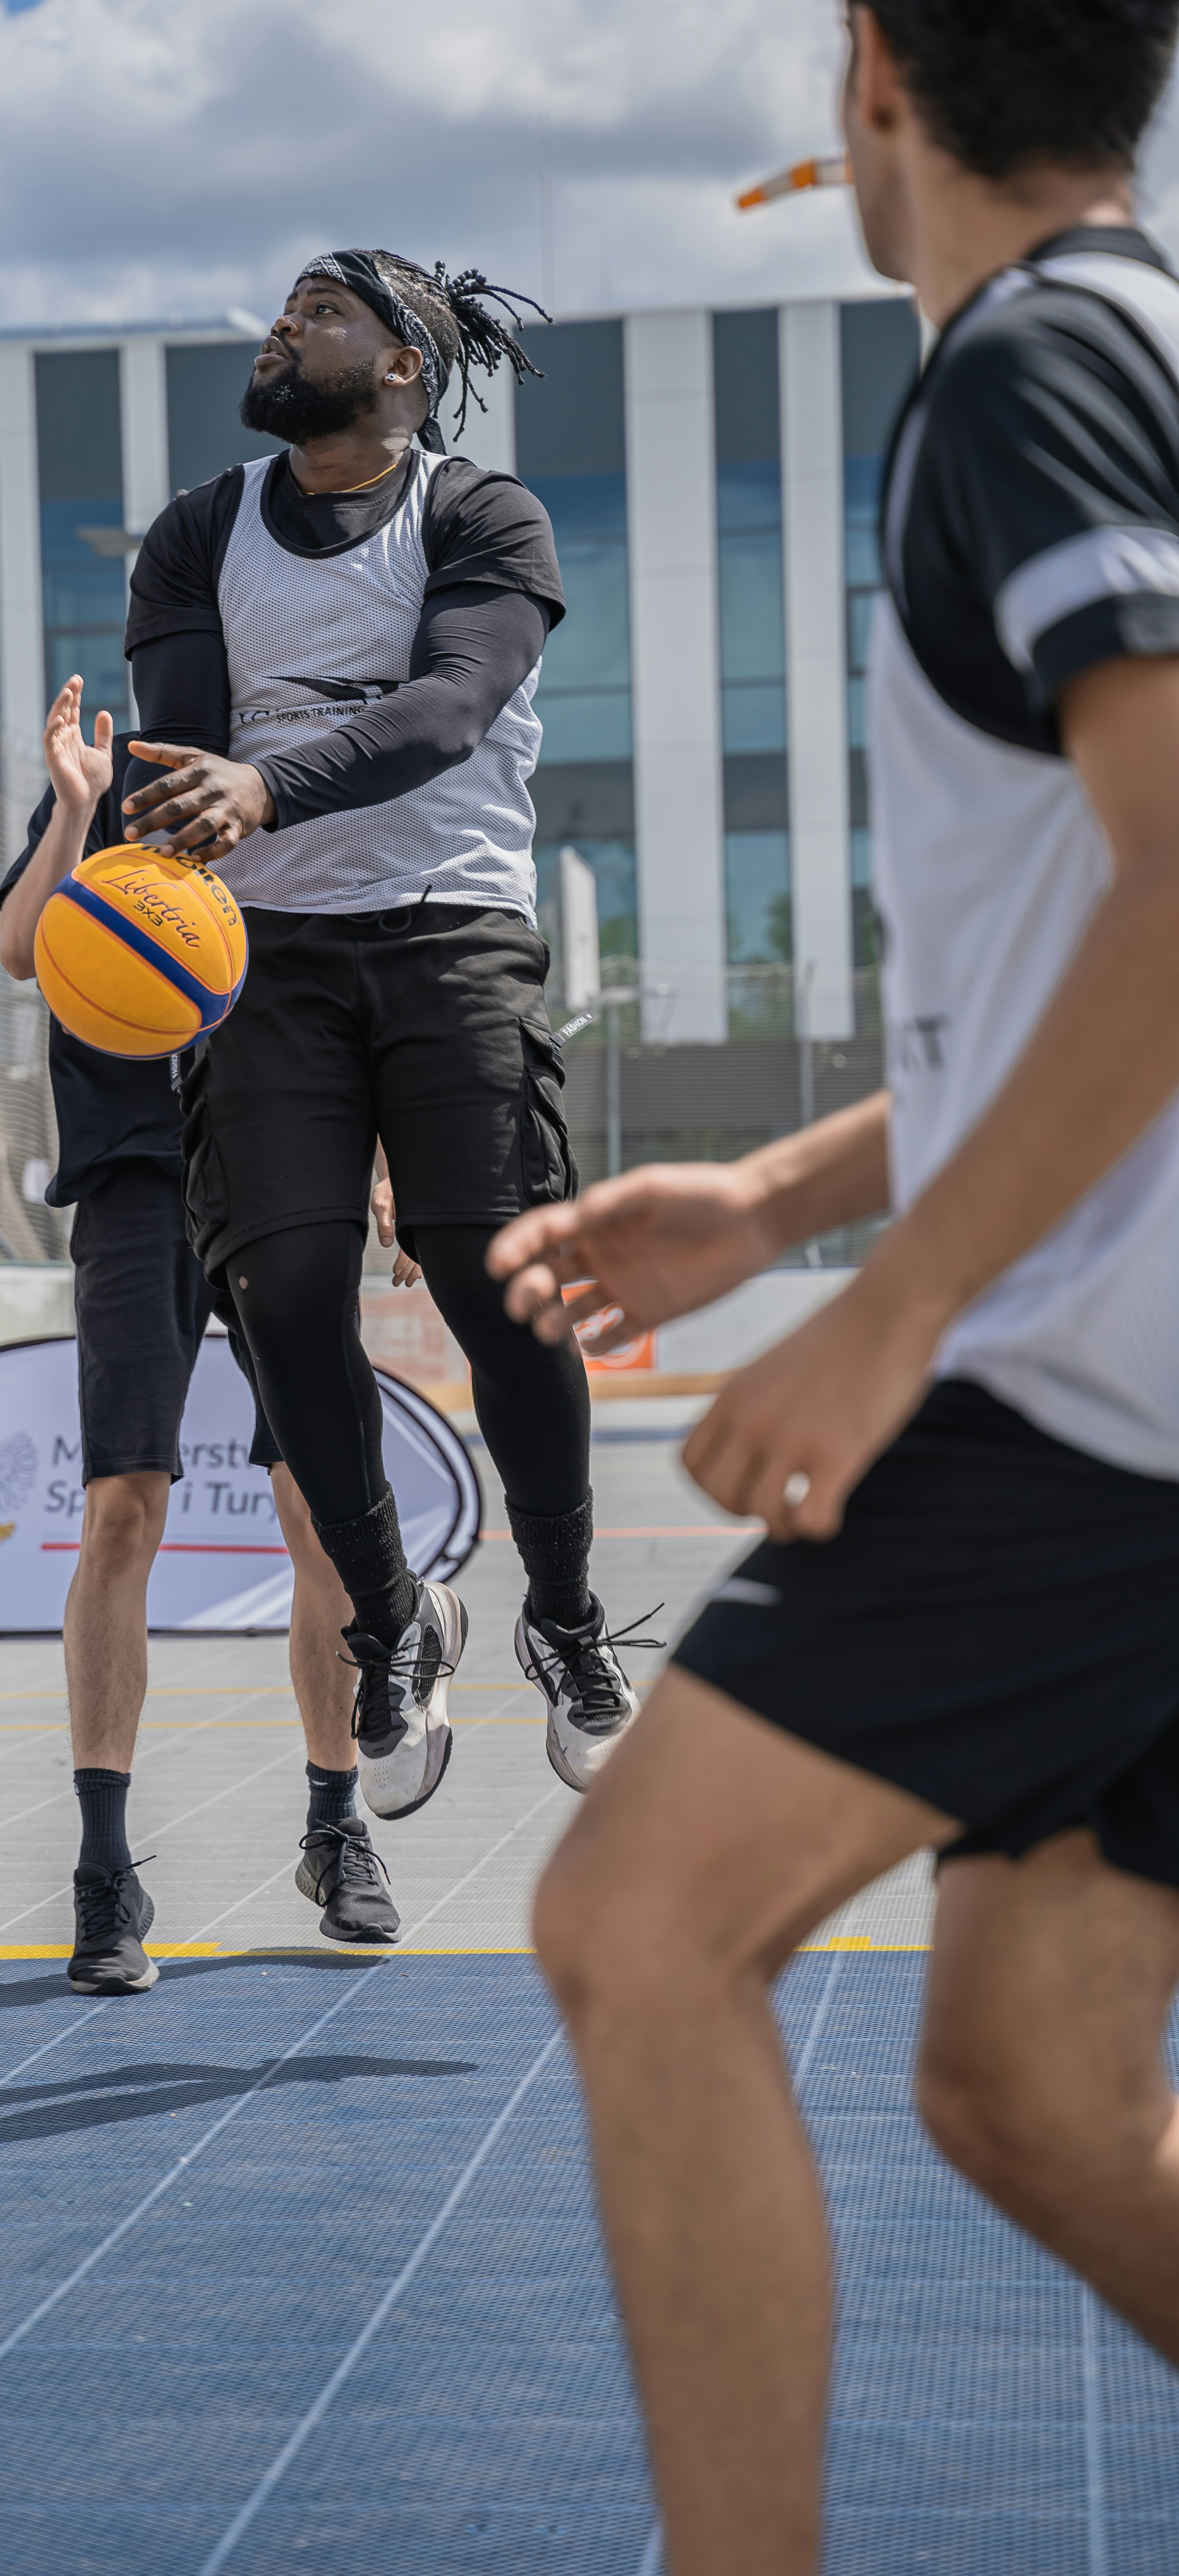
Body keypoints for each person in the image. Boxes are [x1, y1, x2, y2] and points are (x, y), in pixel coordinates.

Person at [490, 5, 1179, 2564]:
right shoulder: (1137, 351)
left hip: (1100, 1392)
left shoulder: (1043, 368)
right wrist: (782, 1202)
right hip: (1132, 1379)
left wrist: (888, 1319)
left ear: (872, 72)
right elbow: (1073, 969)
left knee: (637, 1930)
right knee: (1028, 2082)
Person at [117, 249, 653, 1821]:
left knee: (503, 1284)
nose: (288, 326)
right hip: (262, 958)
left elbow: (451, 708)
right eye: (285, 309)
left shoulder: (480, 516)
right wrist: (133, 862)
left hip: (450, 932)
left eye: (324, 311)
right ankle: (389, 1617)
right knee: (281, 1291)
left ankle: (561, 1612)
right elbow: (186, 750)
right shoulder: (202, 530)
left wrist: (267, 786)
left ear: (407, 361)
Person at [0, 675, 399, 1994]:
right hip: (132, 1180)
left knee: (319, 1514)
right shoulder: (116, 787)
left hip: (287, 1171)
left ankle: (336, 1826)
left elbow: (359, 1001)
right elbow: (20, 949)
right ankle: (105, 1865)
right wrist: (69, 809)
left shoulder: (304, 791)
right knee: (125, 1512)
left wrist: (384, 1159)